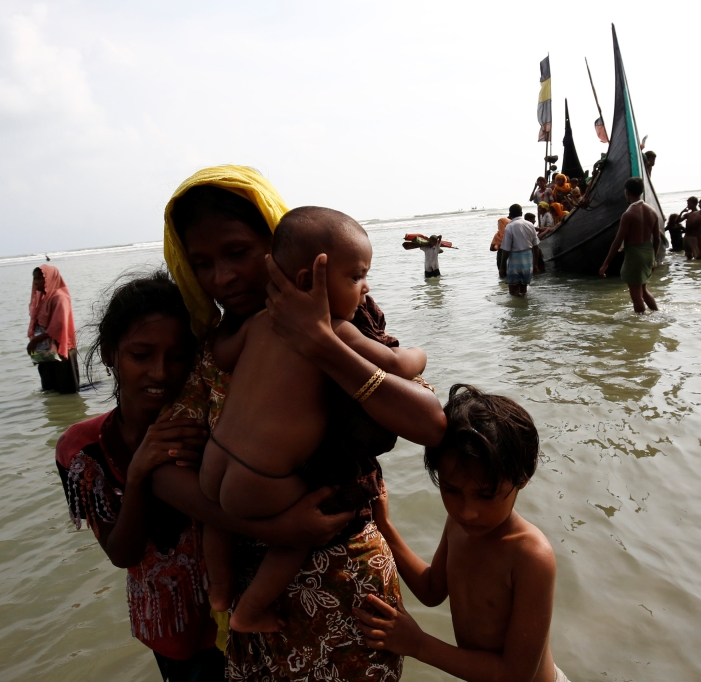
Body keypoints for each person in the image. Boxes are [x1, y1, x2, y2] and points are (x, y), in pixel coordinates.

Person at [156, 165, 446, 680]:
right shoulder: (206, 350)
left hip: (347, 587)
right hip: (260, 599)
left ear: (279, 250)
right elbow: (162, 469)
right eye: (201, 263)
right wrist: (274, 527)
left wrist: (322, 345)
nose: (221, 277)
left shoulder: (353, 320)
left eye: (238, 253)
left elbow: (429, 423)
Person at [198, 207, 429, 633]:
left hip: (216, 460)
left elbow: (222, 355)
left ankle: (220, 588)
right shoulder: (337, 331)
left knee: (215, 514)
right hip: (262, 479)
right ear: (310, 281)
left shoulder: (258, 322)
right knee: (306, 527)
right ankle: (249, 611)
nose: (366, 287)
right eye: (357, 276)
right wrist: (420, 354)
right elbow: (396, 366)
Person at [55, 272, 224, 680]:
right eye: (141, 354)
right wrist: (137, 474)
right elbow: (122, 554)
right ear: (111, 354)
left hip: (242, 615)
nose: (160, 372)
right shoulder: (82, 449)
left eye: (178, 355)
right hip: (171, 631)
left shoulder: (216, 425)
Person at [353, 384, 565, 682]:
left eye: (487, 495)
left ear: (524, 474)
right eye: (451, 490)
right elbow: (431, 590)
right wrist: (385, 527)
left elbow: (516, 674)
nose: (467, 512)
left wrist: (418, 644)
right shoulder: (458, 526)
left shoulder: (530, 555)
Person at [599, 177, 661, 313]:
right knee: (643, 290)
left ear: (627, 192)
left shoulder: (628, 214)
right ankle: (657, 314)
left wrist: (605, 264)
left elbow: (617, 242)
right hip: (648, 253)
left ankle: (640, 326)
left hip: (635, 255)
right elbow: (657, 239)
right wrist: (654, 259)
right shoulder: (652, 211)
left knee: (635, 296)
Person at [27, 265, 79, 393]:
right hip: (47, 350)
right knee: (50, 390)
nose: (36, 282)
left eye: (40, 278)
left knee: (67, 390)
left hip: (61, 349)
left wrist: (34, 341)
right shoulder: (44, 298)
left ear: (50, 278)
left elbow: (59, 325)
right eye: (35, 279)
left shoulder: (59, 297)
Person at [499, 204, 539, 297]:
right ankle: (524, 308)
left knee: (513, 294)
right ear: (521, 213)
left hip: (515, 261)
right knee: (523, 292)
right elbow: (536, 246)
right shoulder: (530, 225)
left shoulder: (510, 227)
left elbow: (506, 250)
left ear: (510, 214)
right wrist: (535, 264)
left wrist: (502, 267)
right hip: (528, 261)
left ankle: (518, 309)